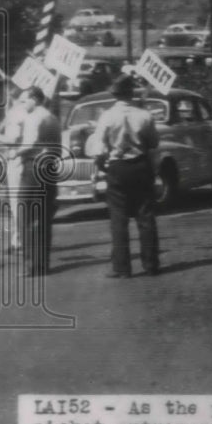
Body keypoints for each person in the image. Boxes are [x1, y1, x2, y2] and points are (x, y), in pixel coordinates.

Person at [88, 75, 160, 278]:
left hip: (118, 167)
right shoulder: (145, 115)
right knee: (145, 216)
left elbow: (98, 147)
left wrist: (102, 165)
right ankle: (151, 264)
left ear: (115, 95)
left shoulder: (107, 116)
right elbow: (154, 143)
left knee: (118, 219)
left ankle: (122, 267)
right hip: (140, 165)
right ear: (131, 93)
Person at [16, 87, 62, 277]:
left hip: (33, 169)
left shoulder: (34, 117)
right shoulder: (53, 118)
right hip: (49, 169)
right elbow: (58, 149)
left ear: (34, 99)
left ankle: (29, 264)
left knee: (24, 217)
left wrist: (14, 152)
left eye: (24, 100)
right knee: (43, 218)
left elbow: (30, 144)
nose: (22, 104)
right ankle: (43, 264)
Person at [0, 91, 28, 252]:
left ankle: (19, 240)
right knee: (16, 201)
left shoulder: (20, 113)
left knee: (17, 201)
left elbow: (14, 140)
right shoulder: (15, 112)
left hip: (18, 160)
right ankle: (17, 238)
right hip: (14, 160)